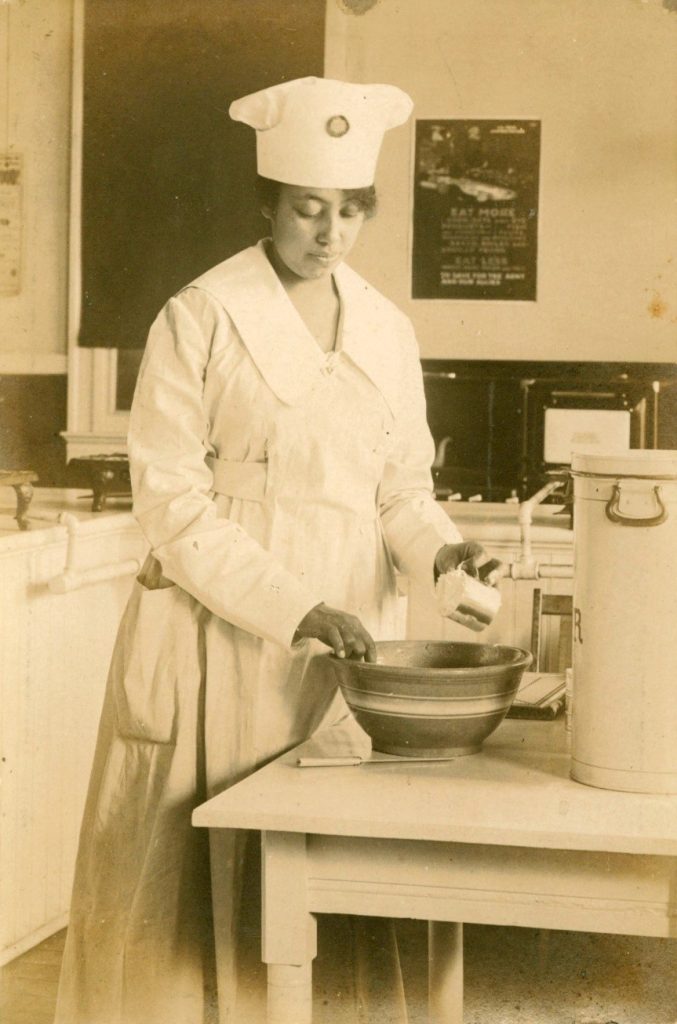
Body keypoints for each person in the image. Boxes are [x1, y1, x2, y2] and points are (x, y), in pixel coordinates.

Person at [54, 76, 499, 1024]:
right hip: (219, 636)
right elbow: (171, 505)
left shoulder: (385, 328)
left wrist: (447, 556)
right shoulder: (202, 314)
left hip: (347, 651)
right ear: (269, 203)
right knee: (199, 890)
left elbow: (399, 494)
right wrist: (294, 608)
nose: (327, 232)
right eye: (307, 209)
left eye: (348, 211)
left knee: (326, 877)